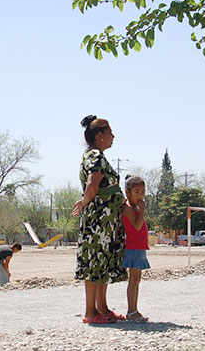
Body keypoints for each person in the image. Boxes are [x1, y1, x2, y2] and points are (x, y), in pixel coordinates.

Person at [72, 115, 127, 324]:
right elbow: (93, 185)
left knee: (103, 262)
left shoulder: (97, 156)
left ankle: (102, 308)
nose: (113, 136)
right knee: (95, 263)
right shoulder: (95, 156)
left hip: (106, 222)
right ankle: (90, 312)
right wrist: (84, 202)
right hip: (98, 222)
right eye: (110, 132)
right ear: (100, 135)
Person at [121, 175, 150, 323]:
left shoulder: (135, 206)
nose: (140, 195)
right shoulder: (128, 207)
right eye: (137, 192)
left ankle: (134, 309)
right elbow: (137, 226)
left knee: (137, 279)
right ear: (128, 192)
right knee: (133, 279)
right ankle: (131, 311)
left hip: (139, 246)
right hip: (133, 247)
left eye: (143, 192)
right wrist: (143, 210)